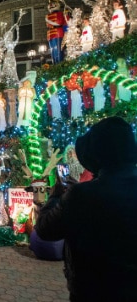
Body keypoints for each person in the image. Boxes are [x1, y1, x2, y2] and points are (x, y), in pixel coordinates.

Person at [35, 116, 137, 301]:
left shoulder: (82, 195)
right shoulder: (82, 194)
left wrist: (57, 196)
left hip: (92, 289)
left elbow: (45, 229)